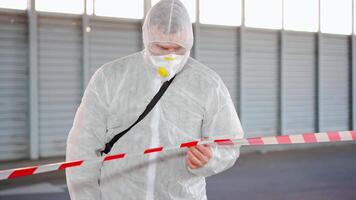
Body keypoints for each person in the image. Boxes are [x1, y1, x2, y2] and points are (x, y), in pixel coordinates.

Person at [65, 0, 244, 199]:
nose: (170, 56)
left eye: (178, 49)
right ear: (147, 36)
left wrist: (210, 158)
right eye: (160, 47)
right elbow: (82, 147)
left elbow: (229, 142)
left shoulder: (208, 84)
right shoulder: (110, 77)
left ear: (189, 42)